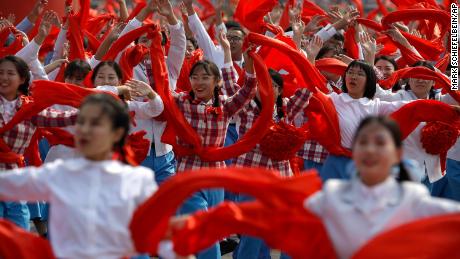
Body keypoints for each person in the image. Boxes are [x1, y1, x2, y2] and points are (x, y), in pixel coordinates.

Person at [0, 93, 158, 258]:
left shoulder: (138, 180)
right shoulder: (59, 174)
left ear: (117, 133)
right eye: (81, 122)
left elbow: (158, 235)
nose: (84, 130)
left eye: (95, 123)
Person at [304, 116, 460, 259]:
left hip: (433, 166)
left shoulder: (412, 197)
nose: (370, 150)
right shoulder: (332, 194)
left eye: (380, 143)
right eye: (363, 142)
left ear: (398, 153)